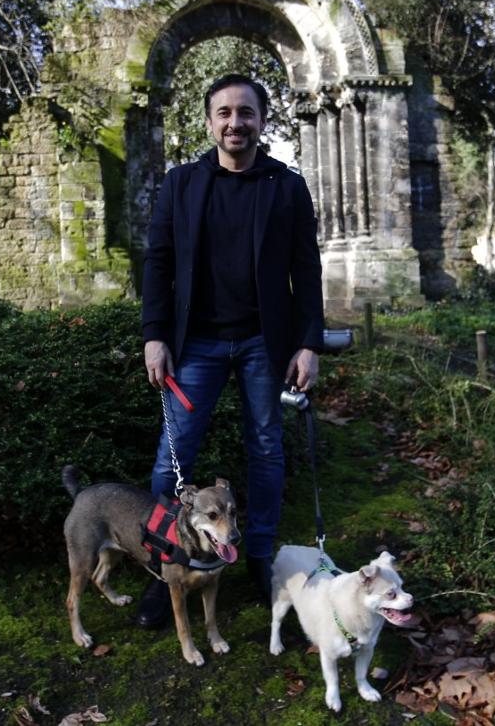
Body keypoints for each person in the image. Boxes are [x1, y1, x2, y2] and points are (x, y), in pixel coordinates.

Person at [138, 73, 325, 628]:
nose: (235, 122)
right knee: (171, 461)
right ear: (209, 121)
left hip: (264, 345)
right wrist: (154, 334)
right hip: (193, 345)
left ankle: (259, 559)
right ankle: (163, 565)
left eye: (246, 113)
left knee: (266, 448)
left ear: (262, 120)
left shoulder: (285, 187)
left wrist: (309, 342)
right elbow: (159, 264)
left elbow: (306, 270)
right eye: (224, 113)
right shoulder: (181, 185)